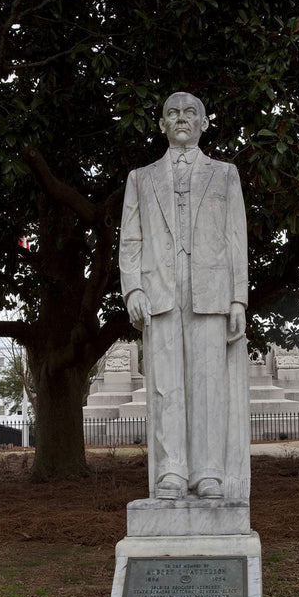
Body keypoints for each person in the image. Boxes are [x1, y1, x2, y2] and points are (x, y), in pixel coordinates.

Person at [119, 92, 249, 500]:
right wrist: (133, 287)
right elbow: (131, 239)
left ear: (204, 122)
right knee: (166, 386)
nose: (181, 119)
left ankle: (208, 472)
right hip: (159, 293)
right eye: (172, 113)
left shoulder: (226, 175)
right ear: (161, 125)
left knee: (208, 384)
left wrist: (238, 299)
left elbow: (236, 239)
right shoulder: (140, 179)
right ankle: (172, 470)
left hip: (210, 293)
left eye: (190, 112)